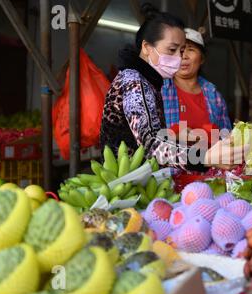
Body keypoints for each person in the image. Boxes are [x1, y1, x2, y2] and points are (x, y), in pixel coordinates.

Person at [100, 4, 244, 172]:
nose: (179, 58)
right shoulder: (134, 83)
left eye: (181, 51)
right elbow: (151, 144)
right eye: (172, 49)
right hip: (125, 183)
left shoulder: (149, 82)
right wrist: (204, 157)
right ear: (147, 48)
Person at [162, 28, 232, 131]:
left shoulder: (214, 96)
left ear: (202, 59)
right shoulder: (160, 89)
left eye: (190, 49)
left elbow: (226, 136)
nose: (184, 56)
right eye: (179, 50)